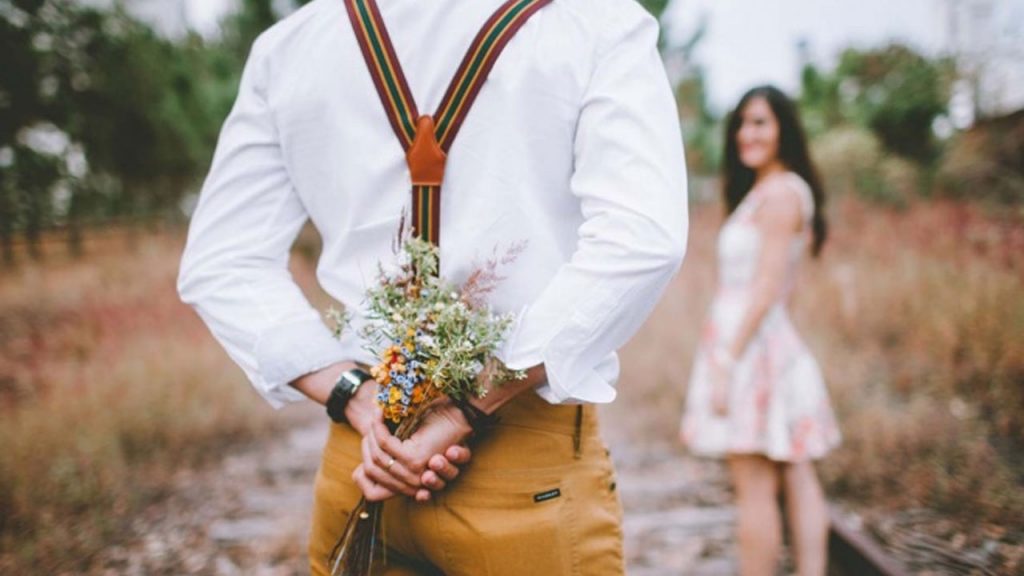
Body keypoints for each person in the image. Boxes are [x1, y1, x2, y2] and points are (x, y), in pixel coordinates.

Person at [177, 0, 688, 573]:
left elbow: (221, 261)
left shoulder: (291, 47)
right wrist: (467, 404)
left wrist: (356, 396)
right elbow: (642, 238)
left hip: (366, 463)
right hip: (522, 473)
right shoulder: (593, 21)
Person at [679, 85, 841, 576]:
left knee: (754, 484)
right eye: (742, 124)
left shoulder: (780, 194)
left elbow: (768, 287)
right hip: (764, 339)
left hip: (749, 346)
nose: (746, 134)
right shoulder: (775, 191)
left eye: (760, 123)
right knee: (795, 469)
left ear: (783, 130)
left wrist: (727, 360)